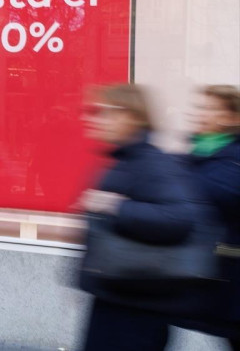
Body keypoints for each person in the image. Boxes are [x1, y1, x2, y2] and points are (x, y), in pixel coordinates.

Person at [76, 84, 205, 351]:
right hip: (118, 292)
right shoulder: (126, 159)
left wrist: (116, 206)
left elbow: (180, 217)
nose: (92, 118)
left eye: (101, 112)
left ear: (130, 115)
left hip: (137, 304)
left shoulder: (153, 163)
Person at [180, 85, 240, 346]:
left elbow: (202, 198)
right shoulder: (198, 153)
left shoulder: (232, 159)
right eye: (198, 107)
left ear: (231, 118)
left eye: (207, 108)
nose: (198, 113)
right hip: (216, 273)